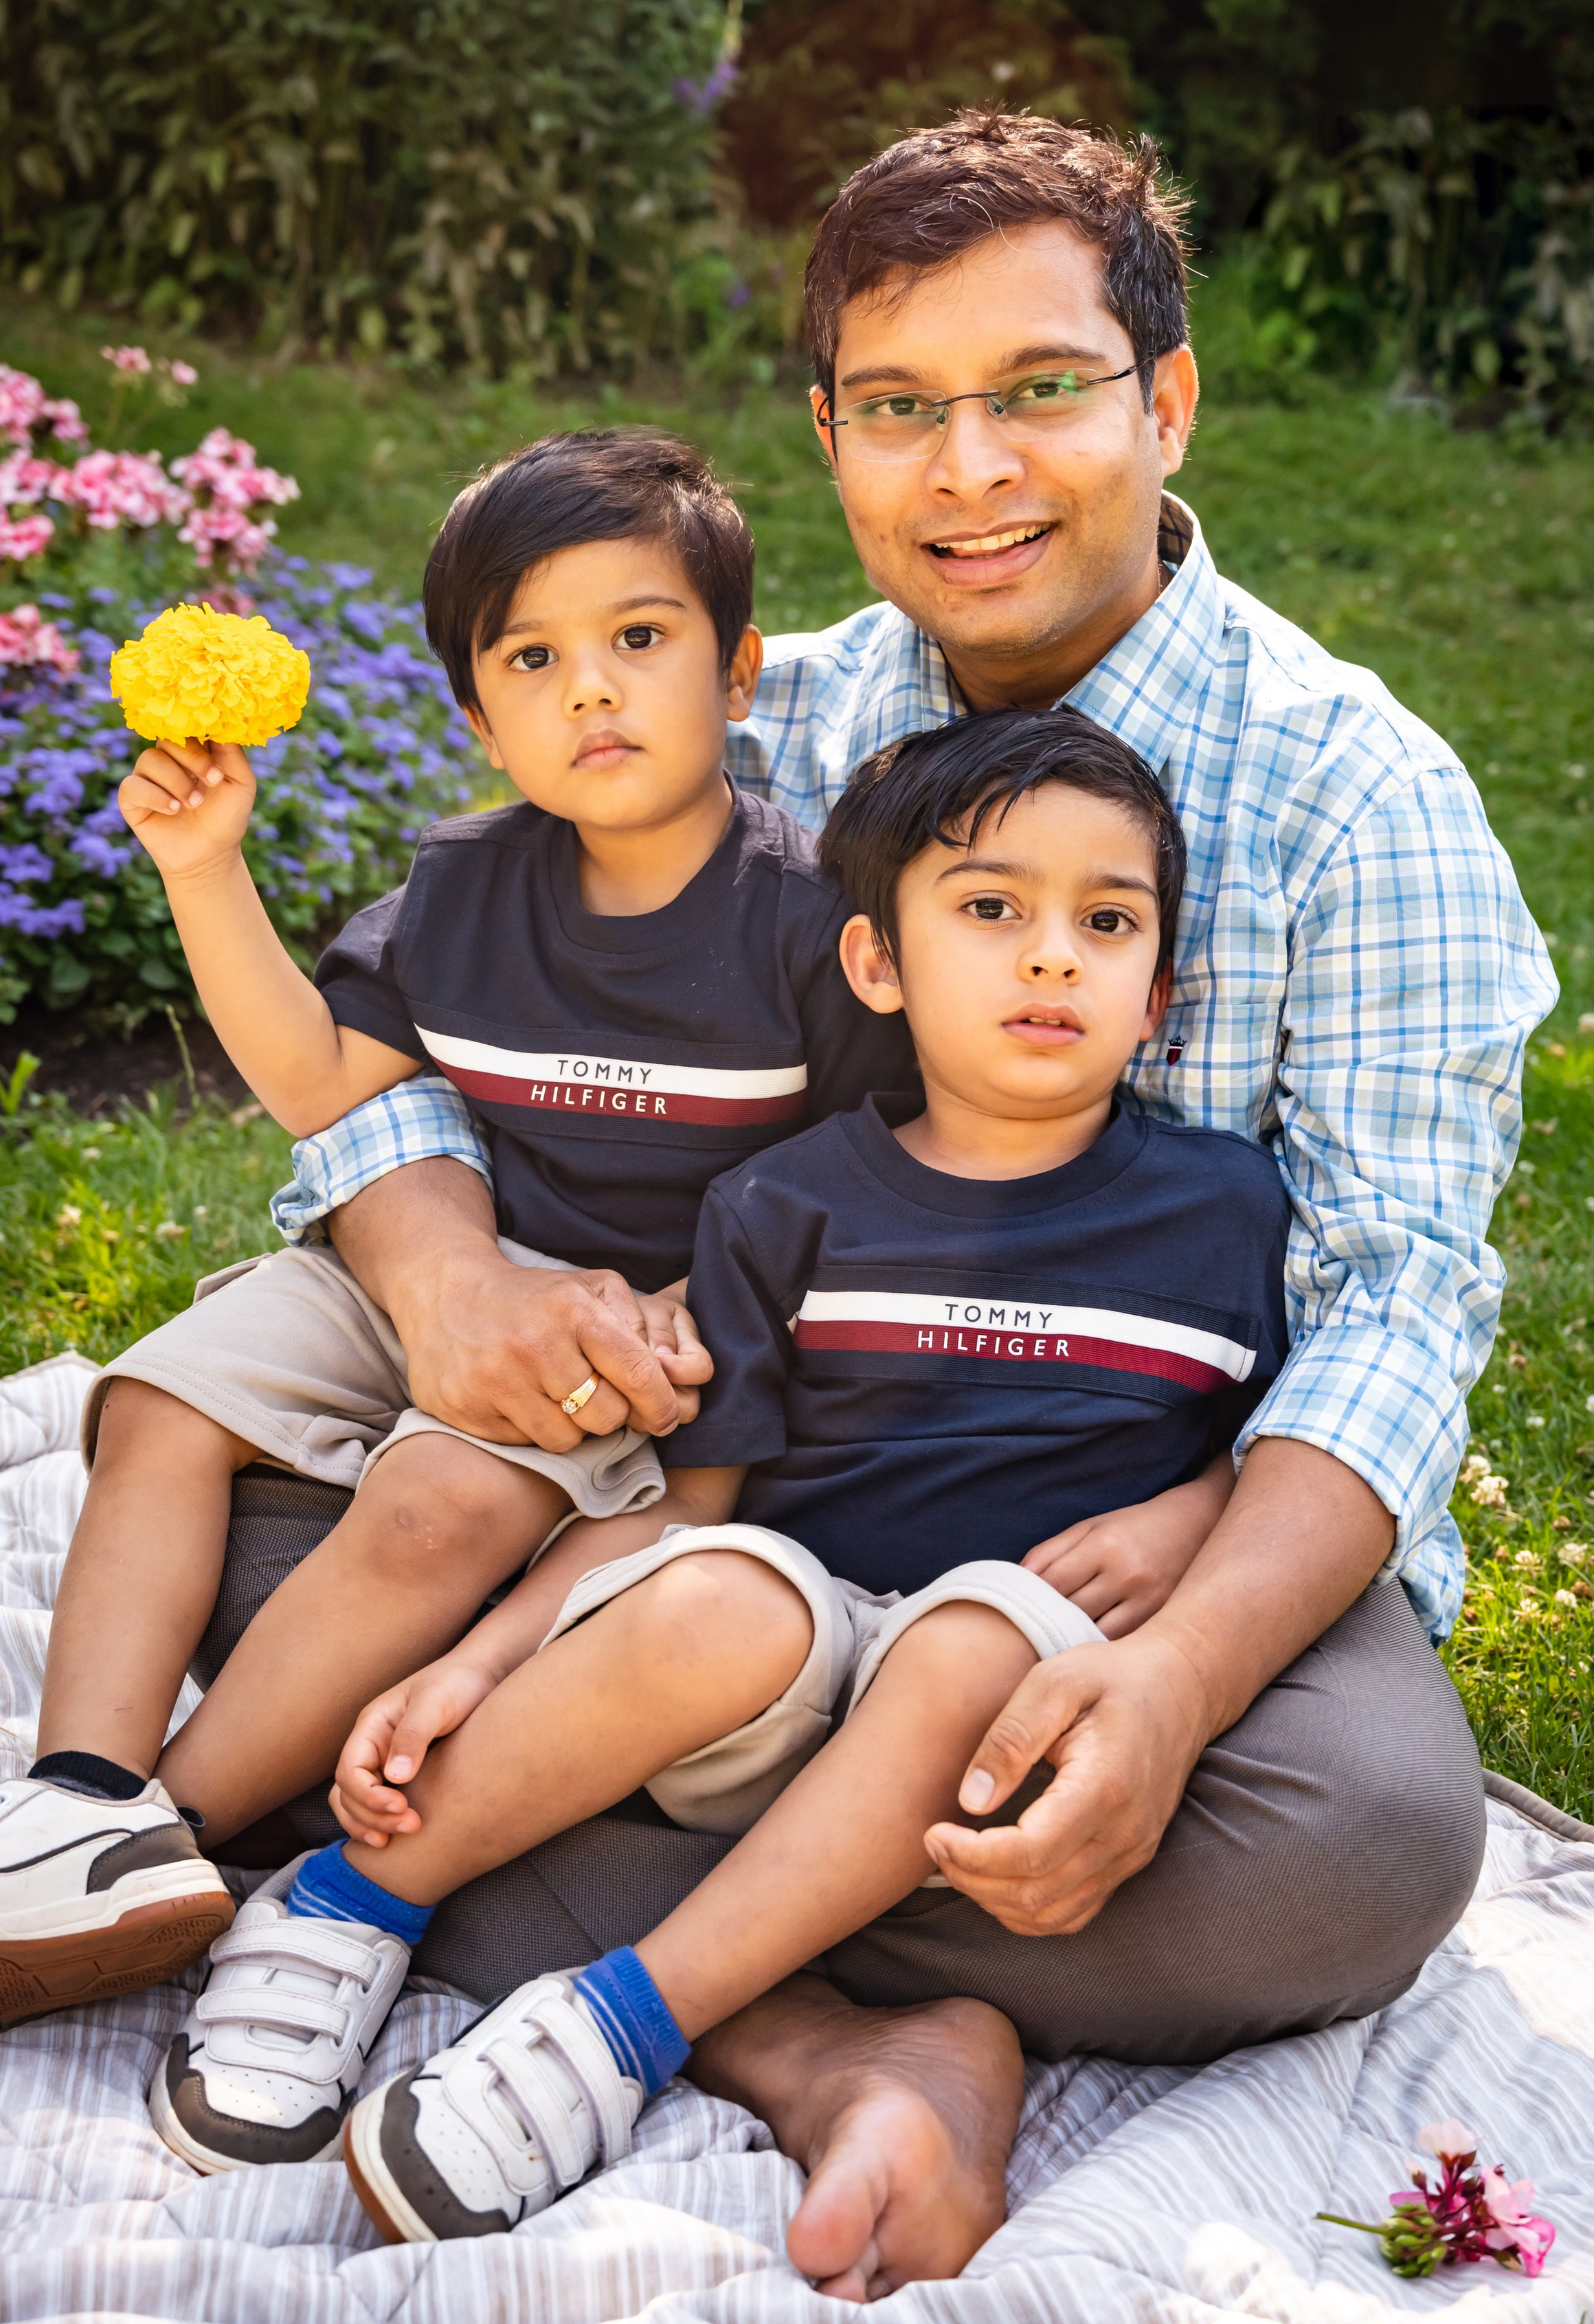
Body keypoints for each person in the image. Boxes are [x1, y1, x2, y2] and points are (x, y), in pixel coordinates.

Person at [116, 111, 1560, 2296]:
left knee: (1359, 1848)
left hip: (1131, 1515)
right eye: (901, 409)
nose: (968, 468)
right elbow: (448, 1018)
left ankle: (545, 1897)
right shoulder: (754, 713)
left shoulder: (1363, 798)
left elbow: (1391, 1316)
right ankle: (816, 2024)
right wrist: (448, 1265)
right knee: (323, 1544)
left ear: (1164, 400)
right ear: (829, 438)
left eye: (1038, 391)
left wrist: (1166, 1692)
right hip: (739, 1470)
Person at [165, 711, 1290, 2273]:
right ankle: (350, 1898)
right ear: (875, 968)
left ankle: (621, 2022)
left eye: (1104, 923)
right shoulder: (787, 1199)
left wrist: (1189, 1513)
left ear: (1156, 993)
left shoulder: (1223, 1206)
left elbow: (1283, 1438)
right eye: (989, 910)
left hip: (995, 1698)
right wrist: (475, 1660)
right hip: (778, 1653)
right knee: (722, 1590)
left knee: (979, 1642)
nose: (1051, 959)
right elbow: (687, 1504)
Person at [1, 430, 917, 2039]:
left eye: (640, 638)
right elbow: (315, 1082)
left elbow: (873, 1179)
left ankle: (175, 1837)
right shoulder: (464, 886)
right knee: (156, 1398)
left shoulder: (805, 924)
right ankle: (72, 1803)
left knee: (435, 1503)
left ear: (741, 672)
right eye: (533, 658)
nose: (591, 690)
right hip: (449, 1263)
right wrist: (202, 870)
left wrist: (697, 1319)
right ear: (479, 716)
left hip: (639, 1343)